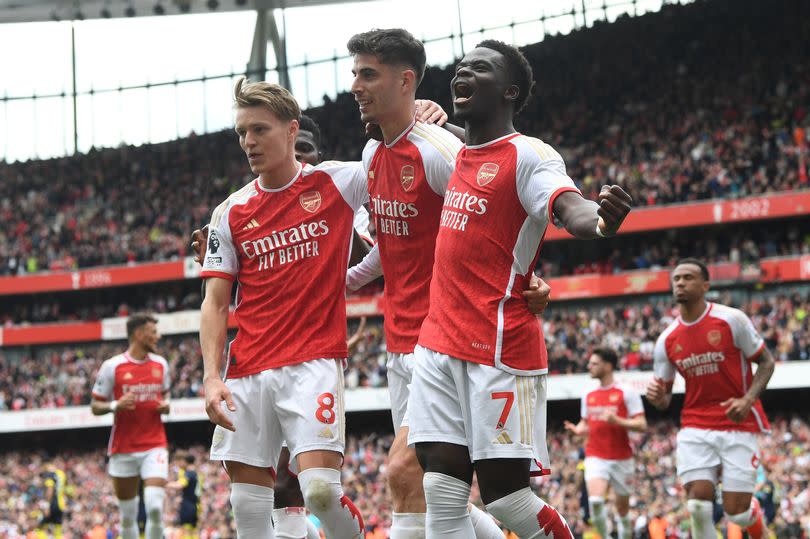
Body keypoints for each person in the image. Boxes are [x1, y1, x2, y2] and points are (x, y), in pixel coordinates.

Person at [407, 39, 633, 538]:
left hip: (498, 349)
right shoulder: (456, 154)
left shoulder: (528, 155)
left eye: (480, 68)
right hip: (437, 344)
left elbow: (568, 207)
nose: (463, 71)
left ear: (509, 91)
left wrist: (600, 221)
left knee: (507, 499)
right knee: (441, 496)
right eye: (461, 66)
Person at [345, 28, 550, 539]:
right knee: (440, 494)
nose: (354, 86)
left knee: (405, 477)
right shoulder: (372, 156)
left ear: (405, 80)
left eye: (367, 74)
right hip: (401, 345)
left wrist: (531, 279)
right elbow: (389, 253)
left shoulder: (439, 150)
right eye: (354, 74)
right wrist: (339, 281)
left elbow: (497, 207)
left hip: (446, 339)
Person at [200, 78, 368, 539]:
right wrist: (212, 376)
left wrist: (425, 113)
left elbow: (406, 175)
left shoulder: (339, 181)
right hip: (248, 371)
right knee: (247, 510)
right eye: (241, 132)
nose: (248, 142)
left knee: (319, 493)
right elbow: (215, 303)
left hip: (312, 362)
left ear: (292, 130)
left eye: (259, 130)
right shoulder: (229, 213)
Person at [646, 258, 774, 539]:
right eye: (677, 278)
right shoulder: (666, 340)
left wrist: (748, 400)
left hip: (736, 422)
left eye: (688, 278)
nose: (680, 283)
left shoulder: (732, 319)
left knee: (737, 513)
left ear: (705, 285)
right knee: (697, 504)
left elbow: (766, 362)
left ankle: (759, 526)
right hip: (695, 425)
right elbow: (665, 399)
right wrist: (657, 398)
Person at [91, 313, 171, 539]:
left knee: (155, 507)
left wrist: (166, 406)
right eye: (153, 332)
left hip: (154, 444)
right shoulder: (112, 366)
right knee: (128, 515)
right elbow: (95, 405)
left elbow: (165, 398)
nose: (158, 336)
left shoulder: (161, 365)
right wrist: (115, 405)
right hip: (123, 447)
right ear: (138, 334)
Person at [564, 348, 647, 539]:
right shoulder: (588, 394)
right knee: (595, 501)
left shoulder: (626, 391)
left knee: (623, 510)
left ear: (608, 366)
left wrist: (618, 421)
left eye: (594, 363)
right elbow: (586, 422)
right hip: (595, 455)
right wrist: (578, 429)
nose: (589, 366)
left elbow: (642, 424)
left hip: (621, 458)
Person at [167, 452, 202, 539]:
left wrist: (164, 484)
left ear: (184, 461)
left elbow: (180, 485)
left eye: (178, 462)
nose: (178, 465)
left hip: (188, 505)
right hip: (195, 504)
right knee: (193, 531)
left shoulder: (189, 473)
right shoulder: (196, 473)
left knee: (186, 530)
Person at [39, 462, 67, 539]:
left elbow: (50, 490)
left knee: (41, 527)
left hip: (53, 504)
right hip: (61, 504)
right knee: (58, 527)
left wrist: (47, 505)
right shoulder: (61, 474)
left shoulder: (50, 475)